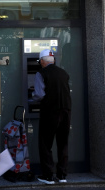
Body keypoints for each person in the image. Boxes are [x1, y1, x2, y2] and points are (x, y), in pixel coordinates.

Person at [32, 49, 71, 185]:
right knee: (63, 143)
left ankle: (48, 176)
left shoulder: (40, 73)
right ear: (53, 60)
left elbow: (39, 95)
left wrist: (32, 98)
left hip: (50, 112)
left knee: (45, 144)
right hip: (66, 111)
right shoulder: (64, 73)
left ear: (42, 61)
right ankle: (62, 175)